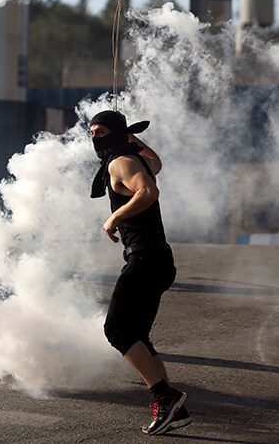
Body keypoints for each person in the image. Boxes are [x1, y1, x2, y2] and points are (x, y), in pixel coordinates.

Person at [89, 110, 192, 435]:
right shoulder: (134, 157)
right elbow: (156, 163)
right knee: (139, 337)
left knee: (118, 331)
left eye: (101, 131)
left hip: (146, 260)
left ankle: (166, 398)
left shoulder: (121, 162)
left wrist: (113, 218)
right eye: (91, 132)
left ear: (116, 134)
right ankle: (173, 408)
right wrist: (134, 140)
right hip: (157, 260)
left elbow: (148, 192)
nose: (95, 137)